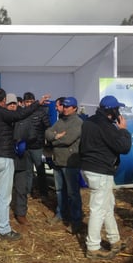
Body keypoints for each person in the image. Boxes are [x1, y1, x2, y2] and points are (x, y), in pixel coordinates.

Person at [0, 88, 49, 240]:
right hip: (4, 156)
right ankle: (4, 229)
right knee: (4, 196)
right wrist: (38, 103)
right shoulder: (1, 112)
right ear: (3, 101)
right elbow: (20, 114)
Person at [80, 95, 132, 259]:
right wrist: (123, 130)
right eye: (117, 109)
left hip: (89, 168)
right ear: (112, 111)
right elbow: (124, 147)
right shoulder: (106, 126)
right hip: (101, 171)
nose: (119, 112)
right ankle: (93, 247)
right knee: (98, 210)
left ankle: (115, 240)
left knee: (107, 206)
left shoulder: (89, 122)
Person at [45, 96, 83, 234]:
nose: (65, 109)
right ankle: (61, 214)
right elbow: (47, 133)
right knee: (60, 191)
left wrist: (53, 140)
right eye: (64, 106)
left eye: (68, 107)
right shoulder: (61, 121)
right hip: (58, 161)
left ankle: (76, 220)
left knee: (73, 193)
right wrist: (56, 136)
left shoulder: (78, 122)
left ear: (75, 108)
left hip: (70, 163)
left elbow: (68, 140)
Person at [6, 93, 31, 225]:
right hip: (7, 157)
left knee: (21, 188)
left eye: (14, 104)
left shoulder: (24, 118)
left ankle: (21, 213)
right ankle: (5, 211)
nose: (12, 106)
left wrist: (24, 141)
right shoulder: (3, 118)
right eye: (9, 104)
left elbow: (33, 133)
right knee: (6, 188)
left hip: (21, 158)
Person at [22, 91, 51, 201]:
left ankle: (44, 193)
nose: (29, 104)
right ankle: (28, 192)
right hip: (25, 147)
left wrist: (47, 143)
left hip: (38, 147)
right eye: (27, 102)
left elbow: (48, 127)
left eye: (31, 101)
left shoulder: (41, 113)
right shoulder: (22, 113)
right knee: (28, 171)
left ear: (34, 102)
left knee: (40, 170)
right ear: (24, 103)